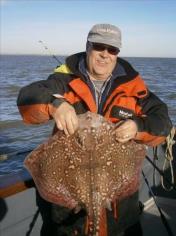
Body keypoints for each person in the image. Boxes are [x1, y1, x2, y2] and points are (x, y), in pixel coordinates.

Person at [17, 24, 172, 236]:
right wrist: (54, 104)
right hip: (67, 216)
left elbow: (162, 121)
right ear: (87, 46)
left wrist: (138, 126)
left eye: (112, 49)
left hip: (119, 212)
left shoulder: (134, 88)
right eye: (99, 46)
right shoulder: (63, 80)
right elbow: (28, 96)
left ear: (118, 53)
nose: (105, 54)